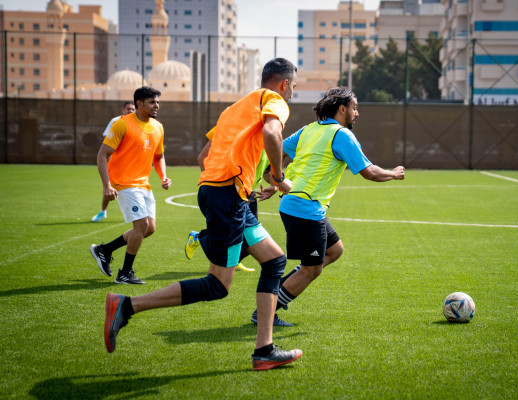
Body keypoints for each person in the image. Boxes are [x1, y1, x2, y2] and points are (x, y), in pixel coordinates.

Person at [103, 58, 302, 371]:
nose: (292, 93)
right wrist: (278, 177)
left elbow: (204, 155)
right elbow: (272, 134)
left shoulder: (235, 108)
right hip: (227, 196)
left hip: (222, 193)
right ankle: (127, 306)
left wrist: (234, 183)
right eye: (293, 86)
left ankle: (264, 349)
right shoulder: (274, 100)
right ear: (284, 84)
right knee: (218, 285)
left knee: (275, 260)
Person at [251, 87, 405, 326]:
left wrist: (276, 181)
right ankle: (265, 313)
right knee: (312, 269)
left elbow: (279, 151)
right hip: (305, 208)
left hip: (299, 205)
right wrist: (394, 174)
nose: (357, 113)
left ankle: (274, 299)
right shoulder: (341, 135)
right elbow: (370, 173)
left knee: (334, 250)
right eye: (354, 107)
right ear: (342, 109)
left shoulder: (308, 130)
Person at [90, 86, 172, 284]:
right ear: (139, 103)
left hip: (143, 184)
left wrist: (163, 176)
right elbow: (102, 155)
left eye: (158, 102)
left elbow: (158, 156)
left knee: (149, 229)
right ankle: (125, 273)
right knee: (141, 224)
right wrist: (106, 185)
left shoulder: (158, 127)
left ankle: (104, 250)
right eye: (152, 102)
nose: (156, 106)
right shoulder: (122, 124)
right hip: (123, 183)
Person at [185, 127, 271, 272]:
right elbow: (203, 157)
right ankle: (201, 238)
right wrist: (214, 186)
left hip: (247, 193)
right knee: (232, 236)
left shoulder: (269, 136)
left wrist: (276, 186)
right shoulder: (233, 124)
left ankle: (233, 261)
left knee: (248, 238)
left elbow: (268, 171)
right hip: (228, 192)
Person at [91, 101, 136, 222]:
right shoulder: (116, 121)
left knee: (133, 187)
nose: (130, 111)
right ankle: (103, 212)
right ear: (123, 110)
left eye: (133, 109)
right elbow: (107, 140)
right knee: (108, 187)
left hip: (130, 163)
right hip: (114, 162)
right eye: (128, 109)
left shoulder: (138, 122)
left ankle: (135, 212)